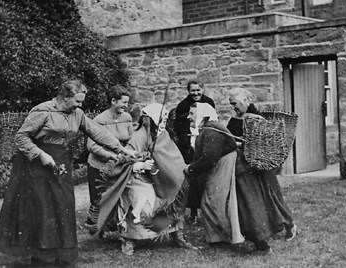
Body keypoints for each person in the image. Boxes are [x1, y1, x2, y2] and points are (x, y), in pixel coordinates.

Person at [0, 80, 136, 267]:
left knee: (64, 206)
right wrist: (40, 155)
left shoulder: (78, 114)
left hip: (61, 163)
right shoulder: (42, 111)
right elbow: (21, 137)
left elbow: (97, 132)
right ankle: (41, 257)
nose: (80, 105)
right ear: (66, 97)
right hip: (36, 166)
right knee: (43, 208)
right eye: (78, 101)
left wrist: (121, 150)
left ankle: (63, 255)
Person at [90, 103, 197, 256]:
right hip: (138, 178)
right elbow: (124, 160)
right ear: (149, 120)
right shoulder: (138, 136)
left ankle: (176, 235)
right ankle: (129, 239)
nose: (164, 121)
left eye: (166, 118)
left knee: (177, 195)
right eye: (161, 118)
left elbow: (171, 158)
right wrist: (139, 164)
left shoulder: (164, 135)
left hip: (163, 179)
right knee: (141, 203)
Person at [227, 88, 298, 254]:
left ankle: (290, 224)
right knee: (259, 199)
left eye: (235, 104)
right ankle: (267, 229)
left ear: (245, 101)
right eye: (231, 105)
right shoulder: (235, 118)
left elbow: (261, 143)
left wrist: (238, 144)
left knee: (272, 195)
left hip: (260, 164)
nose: (233, 108)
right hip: (245, 164)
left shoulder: (256, 119)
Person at [183, 103, 245, 246]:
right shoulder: (208, 128)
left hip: (224, 167)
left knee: (214, 202)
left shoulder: (212, 130)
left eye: (192, 114)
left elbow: (209, 157)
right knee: (210, 202)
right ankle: (218, 237)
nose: (188, 117)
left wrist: (191, 169)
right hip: (221, 166)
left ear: (202, 115)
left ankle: (226, 236)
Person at [85, 85, 134, 231]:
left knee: (118, 195)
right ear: (113, 101)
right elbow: (92, 146)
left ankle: (115, 224)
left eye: (127, 102)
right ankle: (94, 226)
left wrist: (128, 153)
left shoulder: (127, 117)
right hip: (100, 164)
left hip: (119, 163)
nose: (126, 106)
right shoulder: (100, 120)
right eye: (124, 102)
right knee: (99, 198)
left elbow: (130, 139)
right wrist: (112, 156)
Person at [174, 80, 215, 224]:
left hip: (204, 144)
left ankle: (207, 211)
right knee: (192, 182)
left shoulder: (209, 103)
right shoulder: (183, 106)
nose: (196, 93)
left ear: (203, 89)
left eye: (198, 90)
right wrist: (187, 143)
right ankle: (192, 213)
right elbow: (179, 129)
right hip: (189, 147)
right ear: (188, 91)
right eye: (193, 91)